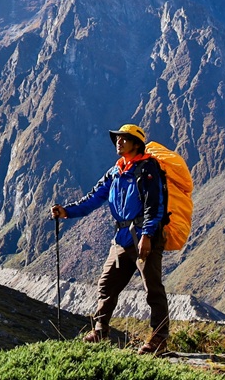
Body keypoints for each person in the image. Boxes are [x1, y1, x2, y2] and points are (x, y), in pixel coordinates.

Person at [50, 123, 170, 355]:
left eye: (124, 138)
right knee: (107, 284)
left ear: (137, 144)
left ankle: (158, 339)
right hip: (122, 238)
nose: (119, 142)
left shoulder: (148, 169)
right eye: (117, 138)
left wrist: (147, 235)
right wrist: (67, 211)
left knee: (152, 289)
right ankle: (99, 331)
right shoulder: (116, 171)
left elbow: (156, 206)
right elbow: (94, 198)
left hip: (145, 238)